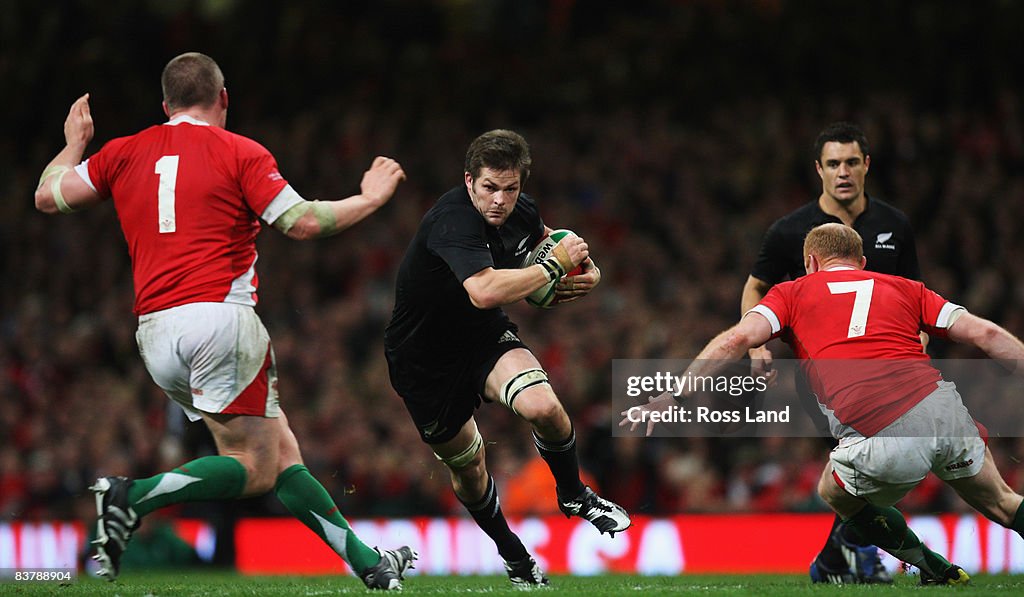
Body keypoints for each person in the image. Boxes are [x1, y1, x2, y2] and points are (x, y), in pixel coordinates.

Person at [34, 52, 416, 590]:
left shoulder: (121, 152)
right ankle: (130, 497)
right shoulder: (240, 151)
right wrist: (368, 198)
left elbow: (47, 197)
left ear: (165, 105)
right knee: (252, 465)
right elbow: (304, 222)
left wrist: (75, 144)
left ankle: (368, 564)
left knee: (281, 455)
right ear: (224, 99)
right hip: (218, 320)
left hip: (154, 334)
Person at [625, 223, 1024, 585]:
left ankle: (931, 566)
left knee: (832, 491)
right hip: (944, 408)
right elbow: (987, 334)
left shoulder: (793, 291)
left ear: (810, 262)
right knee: (1004, 504)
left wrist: (675, 394)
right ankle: (935, 567)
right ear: (863, 263)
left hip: (886, 431)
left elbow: (734, 340)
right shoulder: (905, 287)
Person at [384, 129, 630, 587]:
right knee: (469, 467)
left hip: (481, 336)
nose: (500, 200)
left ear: (521, 184)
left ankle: (574, 494)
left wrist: (582, 273)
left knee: (544, 407)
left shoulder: (523, 212)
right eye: (489, 188)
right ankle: (514, 555)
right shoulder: (451, 220)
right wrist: (554, 266)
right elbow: (483, 290)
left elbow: (546, 246)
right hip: (423, 360)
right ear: (469, 181)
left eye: (510, 189)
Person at [740, 122, 919, 584]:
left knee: (864, 464)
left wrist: (921, 342)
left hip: (889, 372)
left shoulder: (894, 226)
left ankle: (835, 557)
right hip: (823, 376)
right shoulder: (789, 231)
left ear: (866, 166)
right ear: (819, 169)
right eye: (834, 163)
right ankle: (860, 551)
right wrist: (756, 342)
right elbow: (756, 286)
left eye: (852, 162)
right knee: (866, 460)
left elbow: (915, 294)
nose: (843, 172)